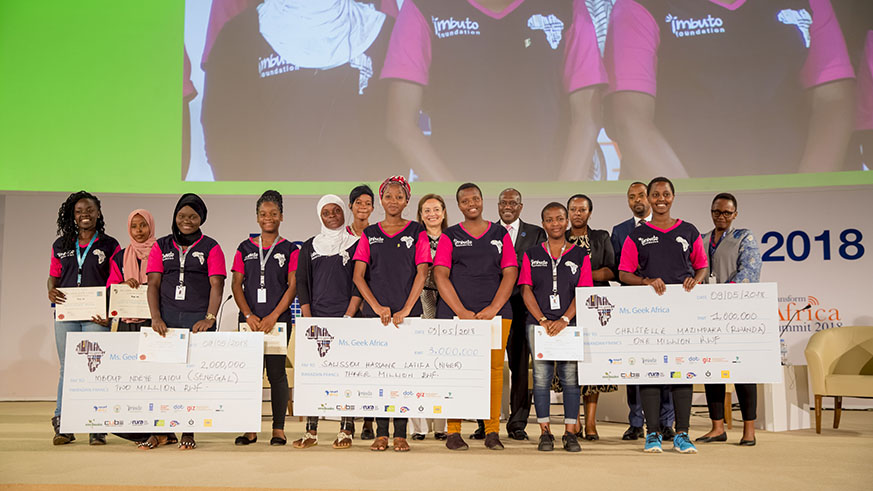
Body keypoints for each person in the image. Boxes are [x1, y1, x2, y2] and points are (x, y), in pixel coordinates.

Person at [605, 0, 856, 178]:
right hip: (681, 211)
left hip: (787, 217)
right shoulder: (640, 6)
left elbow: (834, 101)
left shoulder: (809, 4)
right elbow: (631, 119)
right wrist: (692, 218)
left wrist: (805, 194)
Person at [382, 0, 606, 181]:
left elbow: (587, 116)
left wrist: (561, 202)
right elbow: (401, 125)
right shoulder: (424, 7)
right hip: (457, 197)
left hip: (545, 199)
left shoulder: (567, 7)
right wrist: (457, 201)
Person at [200, 0, 400, 181]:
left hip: (359, 210)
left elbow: (395, 136)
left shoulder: (383, 30)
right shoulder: (239, 33)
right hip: (271, 209)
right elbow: (223, 133)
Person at [618, 177, 708, 454]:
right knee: (650, 371)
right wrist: (645, 281)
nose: (660, 198)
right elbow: (624, 273)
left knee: (682, 373)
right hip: (650, 314)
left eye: (665, 194)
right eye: (655, 194)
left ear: (673, 197)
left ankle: (682, 433)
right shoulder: (637, 235)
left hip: (682, 314)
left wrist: (697, 279)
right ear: (647, 198)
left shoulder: (689, 231)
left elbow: (702, 265)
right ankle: (652, 433)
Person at [434, 183, 518, 451]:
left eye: (476, 198)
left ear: (483, 201)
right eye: (465, 200)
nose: (471, 203)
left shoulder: (499, 233)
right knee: (455, 372)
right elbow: (440, 275)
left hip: (495, 316)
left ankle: (492, 431)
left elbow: (510, 272)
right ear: (458, 205)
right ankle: (454, 432)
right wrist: (461, 311)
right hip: (456, 316)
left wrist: (493, 308)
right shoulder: (450, 236)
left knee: (493, 372)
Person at [352, 175, 431, 452]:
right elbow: (359, 276)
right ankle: (381, 432)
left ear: (407, 200)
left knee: (402, 376)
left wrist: (407, 309)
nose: (393, 200)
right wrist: (375, 307)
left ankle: (400, 433)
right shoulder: (370, 233)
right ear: (381, 200)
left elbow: (422, 272)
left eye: (399, 196)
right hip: (376, 318)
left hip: (406, 316)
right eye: (388, 196)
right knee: (378, 376)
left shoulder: (417, 231)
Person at [145, 193, 227, 450]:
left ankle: (188, 431)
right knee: (165, 379)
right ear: (175, 217)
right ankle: (163, 431)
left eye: (193, 216)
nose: (187, 221)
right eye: (182, 216)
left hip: (196, 322)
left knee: (192, 380)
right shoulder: (161, 246)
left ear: (202, 218)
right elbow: (153, 284)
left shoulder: (211, 246)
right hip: (166, 321)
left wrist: (209, 318)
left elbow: (217, 285)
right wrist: (155, 317)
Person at [519, 202, 593, 452]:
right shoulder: (531, 254)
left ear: (567, 222)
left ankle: (570, 433)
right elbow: (526, 289)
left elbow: (583, 292)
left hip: (568, 325)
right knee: (541, 379)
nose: (555, 224)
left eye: (560, 219)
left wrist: (563, 319)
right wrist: (542, 319)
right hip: (537, 325)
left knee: (570, 379)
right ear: (543, 224)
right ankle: (545, 432)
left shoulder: (581, 255)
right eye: (549, 220)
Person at [48, 191, 119, 446]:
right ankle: (63, 424)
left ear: (98, 213)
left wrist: (109, 313)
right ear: (72, 215)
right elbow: (53, 275)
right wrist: (50, 289)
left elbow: (114, 280)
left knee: (95, 368)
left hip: (96, 315)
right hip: (66, 314)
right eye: (79, 211)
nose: (84, 215)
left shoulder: (110, 244)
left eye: (89, 210)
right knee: (68, 368)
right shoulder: (61, 244)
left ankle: (96, 426)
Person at [292, 194, 363, 449]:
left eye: (336, 211)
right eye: (326, 212)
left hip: (348, 319)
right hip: (317, 321)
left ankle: (346, 430)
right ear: (319, 216)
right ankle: (311, 432)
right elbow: (302, 283)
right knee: (316, 376)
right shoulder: (310, 246)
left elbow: (359, 283)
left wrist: (349, 315)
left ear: (345, 212)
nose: (332, 215)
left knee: (346, 376)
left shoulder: (356, 243)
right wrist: (309, 319)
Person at [230, 191, 299, 447]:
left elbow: (292, 286)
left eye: (273, 213)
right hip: (249, 321)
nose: (268, 218)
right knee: (250, 373)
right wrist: (248, 314)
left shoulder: (290, 249)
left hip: (277, 321)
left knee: (277, 374)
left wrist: (272, 316)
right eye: (263, 214)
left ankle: (278, 429)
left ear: (281, 216)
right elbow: (237, 284)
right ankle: (249, 429)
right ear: (257, 218)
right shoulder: (244, 247)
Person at [696, 192, 762, 446]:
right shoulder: (701, 239)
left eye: (726, 212)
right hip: (708, 315)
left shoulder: (744, 237)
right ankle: (717, 427)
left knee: (743, 371)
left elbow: (750, 270)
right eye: (716, 212)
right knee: (712, 369)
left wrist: (723, 292)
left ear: (735, 214)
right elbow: (694, 270)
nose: (721, 216)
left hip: (737, 313)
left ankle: (749, 429)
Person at [610, 181, 674, 441]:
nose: (637, 200)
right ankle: (636, 421)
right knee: (635, 366)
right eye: (631, 196)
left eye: (641, 195)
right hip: (634, 307)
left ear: (649, 198)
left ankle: (666, 421)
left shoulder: (668, 226)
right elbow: (619, 270)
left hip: (665, 304)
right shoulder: (620, 231)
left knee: (667, 364)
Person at [565, 194, 616, 440]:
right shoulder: (558, 237)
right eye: (573, 209)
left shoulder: (600, 237)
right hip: (567, 307)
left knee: (592, 365)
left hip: (596, 307)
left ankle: (592, 423)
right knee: (571, 365)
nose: (577, 213)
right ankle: (572, 421)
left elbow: (611, 270)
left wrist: (584, 274)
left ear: (590, 213)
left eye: (582, 209)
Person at [499, 188, 546, 441]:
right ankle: (486, 422)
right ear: (497, 205)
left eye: (513, 203)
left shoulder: (536, 233)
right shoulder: (490, 232)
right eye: (503, 202)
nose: (508, 206)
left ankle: (517, 423)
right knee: (491, 367)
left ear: (521, 206)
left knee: (519, 368)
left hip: (522, 309)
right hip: (492, 309)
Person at [409, 193, 450, 441]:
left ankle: (442, 425)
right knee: (417, 364)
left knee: (443, 363)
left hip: (446, 301)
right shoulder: (414, 237)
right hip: (419, 300)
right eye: (426, 210)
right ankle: (418, 427)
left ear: (444, 213)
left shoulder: (454, 237)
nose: (432, 214)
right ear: (420, 215)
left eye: (436, 209)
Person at [345, 184, 377, 439]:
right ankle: (348, 421)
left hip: (372, 308)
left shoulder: (378, 235)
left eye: (367, 203)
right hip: (345, 310)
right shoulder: (340, 236)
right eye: (359, 203)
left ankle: (368, 420)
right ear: (351, 206)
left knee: (370, 368)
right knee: (349, 369)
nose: (363, 207)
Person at [107, 209, 157, 332]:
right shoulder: (121, 256)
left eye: (143, 225)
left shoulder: (160, 254)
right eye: (133, 226)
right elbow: (110, 288)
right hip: (126, 321)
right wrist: (122, 285)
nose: (138, 230)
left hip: (154, 320)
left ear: (151, 226)